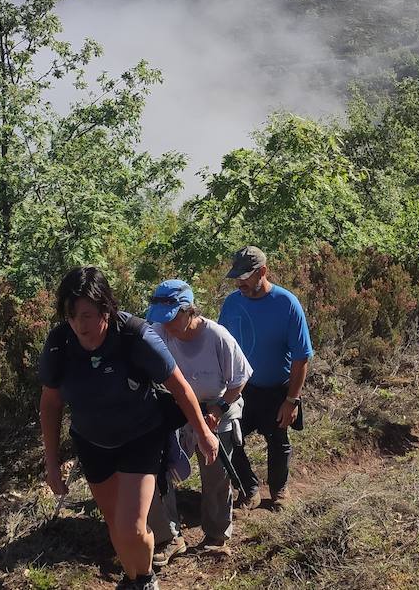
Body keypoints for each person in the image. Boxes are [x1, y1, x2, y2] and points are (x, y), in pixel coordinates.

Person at [39, 267, 219, 590]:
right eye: (72, 316)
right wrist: (51, 464)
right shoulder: (59, 344)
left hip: (141, 437)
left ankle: (146, 578)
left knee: (133, 528)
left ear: (106, 309)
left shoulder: (136, 336)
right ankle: (133, 578)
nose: (80, 325)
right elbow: (50, 404)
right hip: (93, 443)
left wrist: (203, 433)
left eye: (88, 315)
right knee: (115, 527)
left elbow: (179, 386)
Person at [143, 280, 253, 566]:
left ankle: (216, 536)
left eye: (172, 319)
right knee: (159, 467)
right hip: (177, 408)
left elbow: (239, 380)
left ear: (189, 311)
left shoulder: (217, 336)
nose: (167, 326)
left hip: (217, 405)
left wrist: (217, 410)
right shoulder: (158, 333)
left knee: (216, 473)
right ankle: (170, 537)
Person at [217, 246, 313, 510]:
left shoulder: (286, 303)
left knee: (278, 440)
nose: (240, 283)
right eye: (237, 277)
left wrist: (291, 400)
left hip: (277, 389)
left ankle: (279, 492)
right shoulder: (232, 303)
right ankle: (249, 489)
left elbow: (301, 357)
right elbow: (222, 346)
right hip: (242, 388)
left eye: (245, 277)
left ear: (262, 272)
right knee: (227, 437)